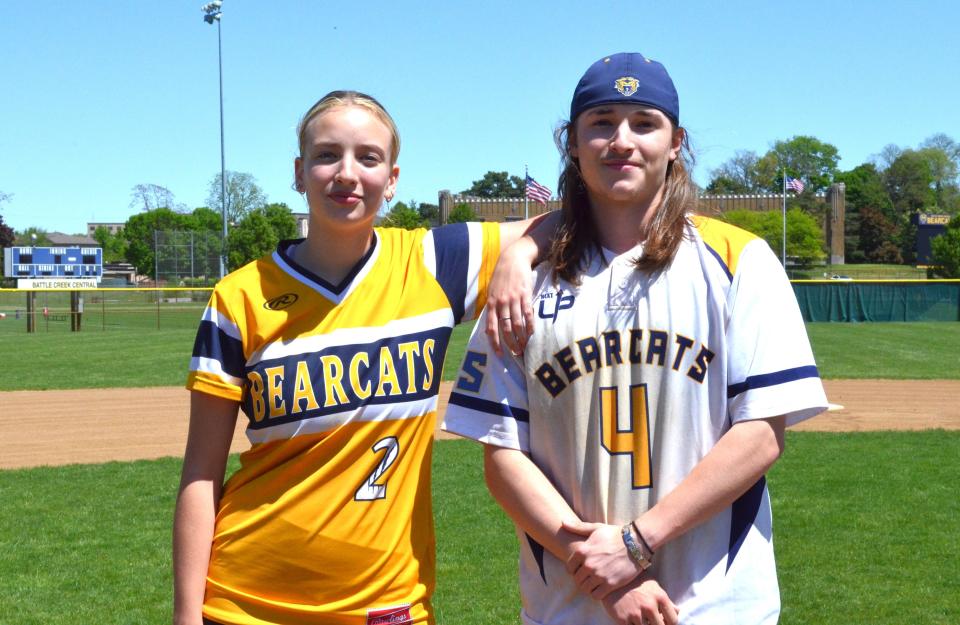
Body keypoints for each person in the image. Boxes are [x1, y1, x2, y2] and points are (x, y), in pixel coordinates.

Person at [443, 52, 828, 625]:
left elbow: (761, 434)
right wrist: (597, 568)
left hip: (716, 606)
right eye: (601, 122)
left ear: (676, 142)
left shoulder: (739, 260)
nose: (621, 140)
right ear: (572, 142)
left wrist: (634, 545)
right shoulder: (522, 285)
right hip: (569, 609)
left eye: (643, 123)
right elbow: (502, 455)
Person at [173, 90, 547, 625]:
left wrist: (521, 255)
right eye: (327, 155)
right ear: (299, 173)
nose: (347, 173)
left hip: (387, 605)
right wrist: (187, 617)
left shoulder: (434, 262)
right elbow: (200, 475)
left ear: (392, 179)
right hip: (244, 603)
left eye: (368, 158)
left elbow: (567, 221)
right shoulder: (240, 297)